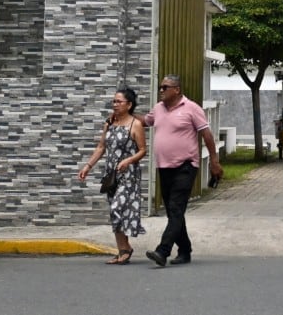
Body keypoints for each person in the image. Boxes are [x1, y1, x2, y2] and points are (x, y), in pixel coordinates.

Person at [141, 75, 222, 267]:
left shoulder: (191, 108)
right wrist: (125, 116)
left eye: (165, 87)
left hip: (185, 166)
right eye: (160, 87)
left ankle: (163, 251)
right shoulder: (158, 109)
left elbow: (207, 135)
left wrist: (214, 161)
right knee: (173, 212)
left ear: (176, 89)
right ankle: (185, 251)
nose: (161, 90)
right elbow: (145, 121)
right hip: (164, 166)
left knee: (176, 208)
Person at [78, 87, 147, 264]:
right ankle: (123, 250)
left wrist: (129, 161)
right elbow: (101, 147)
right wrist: (88, 165)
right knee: (113, 211)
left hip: (128, 174)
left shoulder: (135, 125)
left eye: (119, 101)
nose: (115, 105)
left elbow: (142, 150)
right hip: (111, 175)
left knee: (118, 207)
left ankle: (126, 249)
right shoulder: (109, 123)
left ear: (129, 104)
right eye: (114, 101)